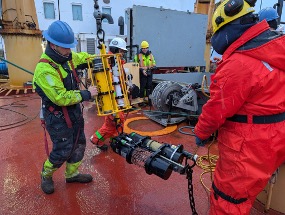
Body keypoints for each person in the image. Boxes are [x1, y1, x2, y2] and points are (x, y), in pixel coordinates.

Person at [194, 0, 285, 214]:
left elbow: (217, 108)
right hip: (275, 135)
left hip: (249, 144)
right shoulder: (275, 50)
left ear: (228, 28)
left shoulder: (239, 64)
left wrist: (201, 132)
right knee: (249, 191)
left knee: (228, 199)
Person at [33, 20, 98, 194]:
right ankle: (46, 174)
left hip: (74, 112)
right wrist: (87, 94)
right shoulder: (44, 70)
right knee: (62, 149)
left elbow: (82, 57)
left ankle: (71, 174)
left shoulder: (66, 58)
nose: (69, 51)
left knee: (78, 144)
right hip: (57, 117)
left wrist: (97, 59)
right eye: (66, 47)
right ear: (53, 45)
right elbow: (60, 97)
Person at [90, 37, 127, 151]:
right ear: (116, 50)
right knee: (112, 124)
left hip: (116, 98)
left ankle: (115, 140)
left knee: (117, 122)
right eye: (121, 51)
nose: (122, 54)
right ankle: (96, 139)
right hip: (110, 100)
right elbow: (108, 84)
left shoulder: (115, 62)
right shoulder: (107, 63)